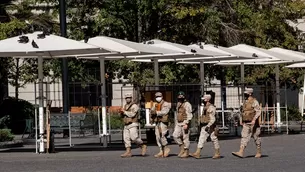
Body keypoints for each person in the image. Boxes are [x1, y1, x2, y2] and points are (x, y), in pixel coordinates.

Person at [232, 88, 262, 158]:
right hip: (246, 123)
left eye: (246, 93)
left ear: (250, 93)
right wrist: (241, 120)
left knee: (256, 137)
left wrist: (254, 120)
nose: (244, 94)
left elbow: (258, 111)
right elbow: (242, 112)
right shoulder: (244, 102)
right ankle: (241, 151)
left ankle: (258, 151)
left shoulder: (255, 102)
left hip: (254, 124)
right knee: (244, 136)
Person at [190, 94, 221, 159]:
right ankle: (197, 153)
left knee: (214, 139)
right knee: (202, 138)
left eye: (204, 100)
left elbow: (213, 119)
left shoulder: (211, 107)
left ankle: (217, 153)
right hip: (205, 125)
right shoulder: (205, 107)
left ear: (207, 100)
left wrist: (208, 126)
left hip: (210, 125)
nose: (203, 101)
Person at [120, 93, 147, 158]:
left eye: (129, 97)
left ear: (131, 98)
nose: (128, 99)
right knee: (126, 138)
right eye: (126, 98)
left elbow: (132, 114)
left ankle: (142, 145)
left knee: (134, 137)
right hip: (126, 124)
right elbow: (123, 114)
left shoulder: (135, 106)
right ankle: (128, 152)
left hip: (133, 123)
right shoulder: (125, 106)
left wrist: (124, 112)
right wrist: (121, 113)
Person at [150, 92, 171, 158]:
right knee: (157, 137)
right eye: (156, 97)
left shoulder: (166, 104)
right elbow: (152, 111)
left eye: (159, 96)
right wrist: (151, 116)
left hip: (163, 122)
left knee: (162, 135)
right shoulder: (155, 104)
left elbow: (165, 112)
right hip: (157, 122)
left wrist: (156, 112)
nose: (158, 98)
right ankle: (161, 150)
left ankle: (166, 148)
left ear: (162, 96)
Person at [173, 91, 193, 158]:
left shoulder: (187, 104)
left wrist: (187, 123)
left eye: (182, 96)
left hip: (185, 122)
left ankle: (186, 151)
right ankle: (181, 147)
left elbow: (189, 114)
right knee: (175, 136)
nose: (180, 97)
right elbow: (177, 114)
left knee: (185, 138)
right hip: (179, 122)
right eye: (179, 96)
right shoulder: (178, 104)